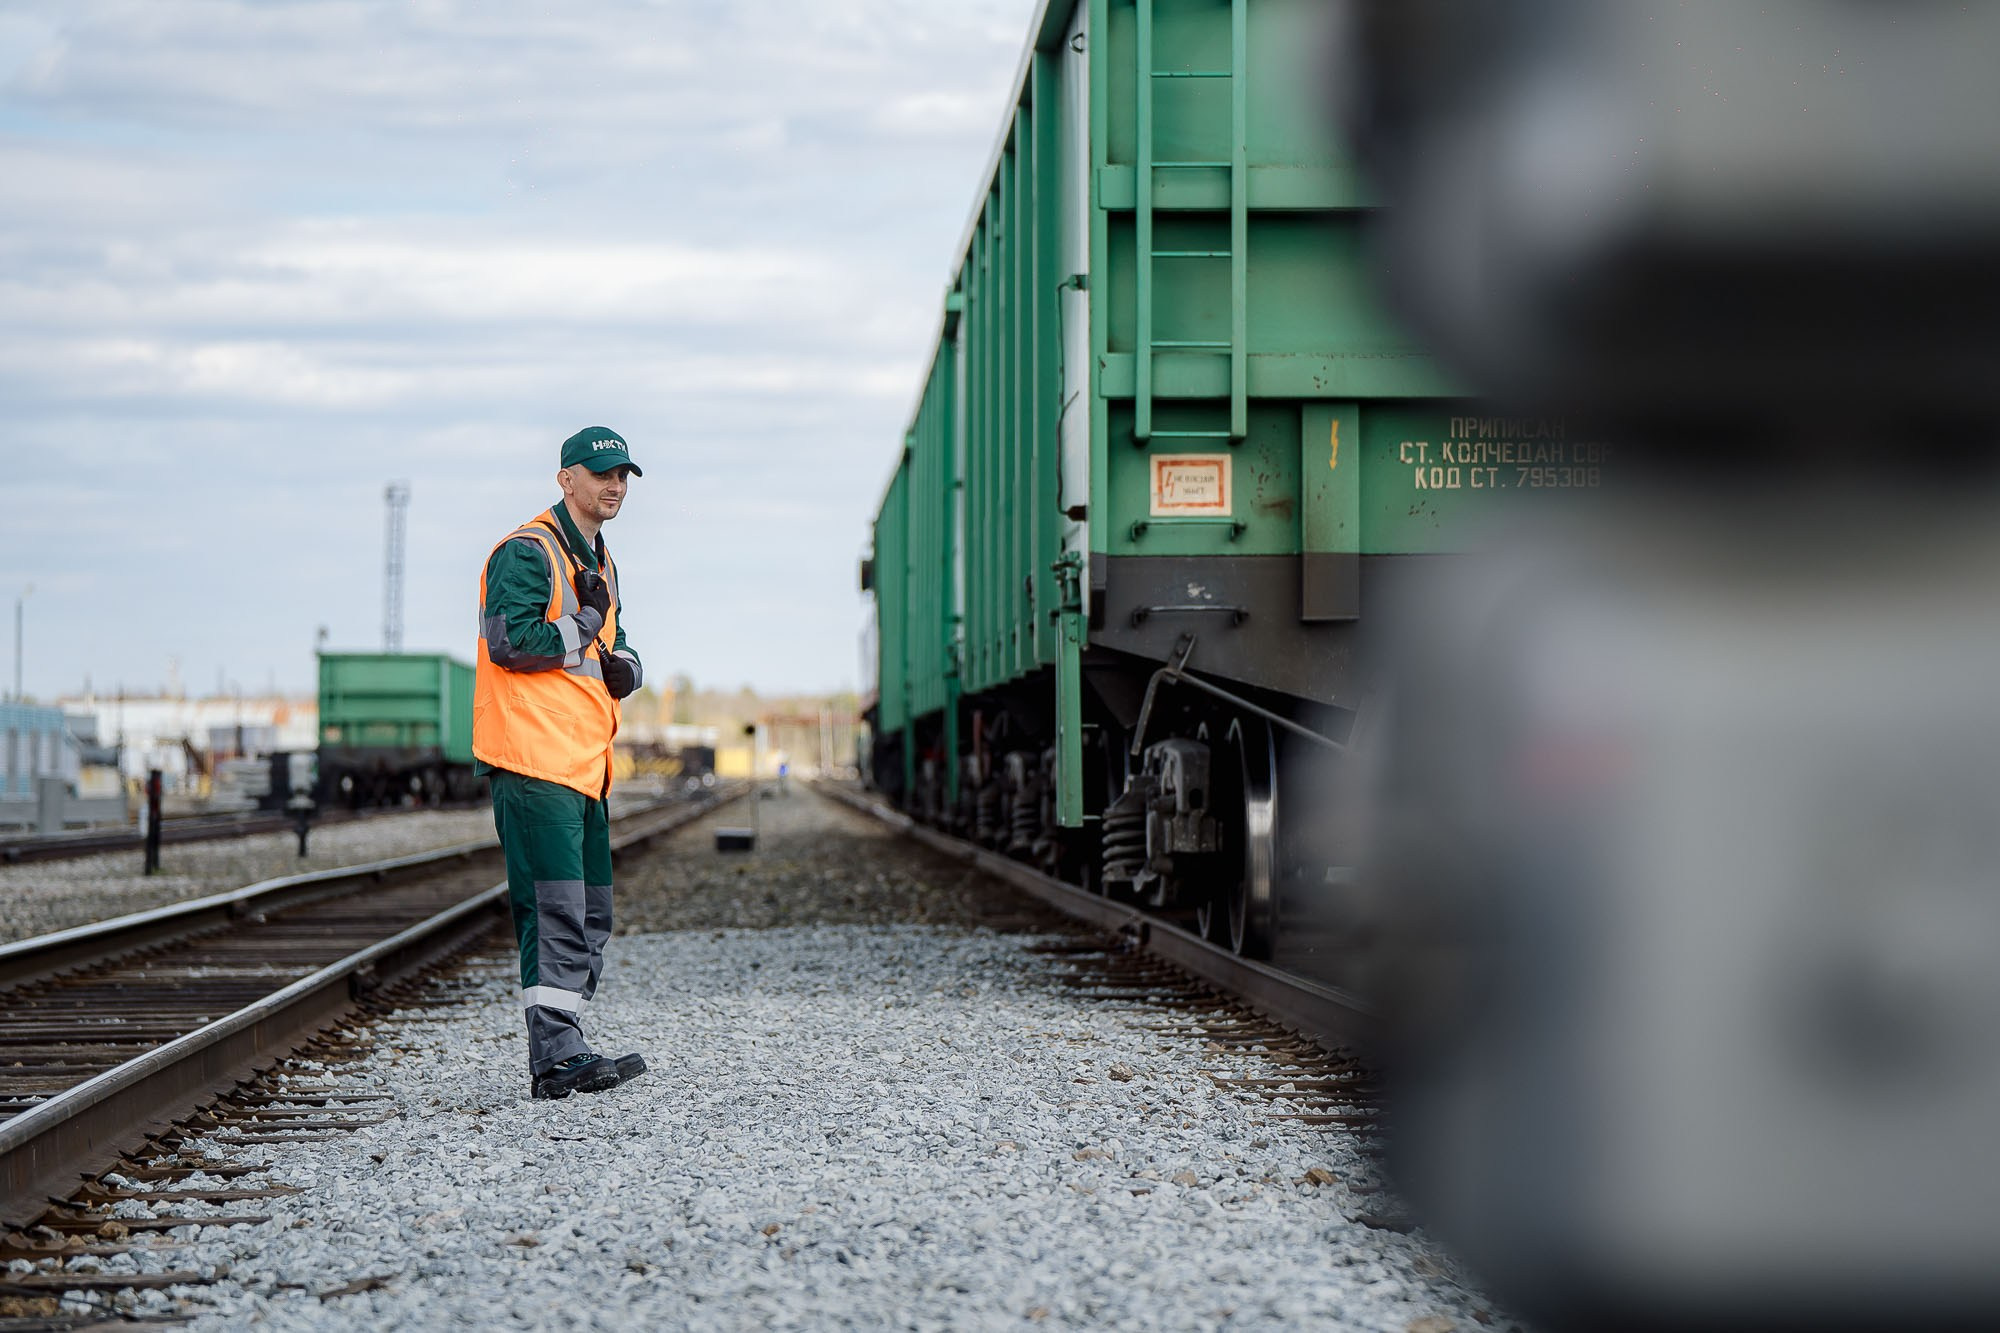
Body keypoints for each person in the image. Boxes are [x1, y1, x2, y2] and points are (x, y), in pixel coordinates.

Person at [473, 426, 649, 1100]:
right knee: (553, 913)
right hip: (533, 759)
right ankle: (554, 1059)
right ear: (565, 480)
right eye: (602, 474)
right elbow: (511, 639)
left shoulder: (602, 563)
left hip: (585, 765)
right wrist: (585, 624)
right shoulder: (528, 551)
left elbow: (616, 639)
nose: (615, 486)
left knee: (591, 913)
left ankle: (568, 1039)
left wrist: (626, 664)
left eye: (624, 476)